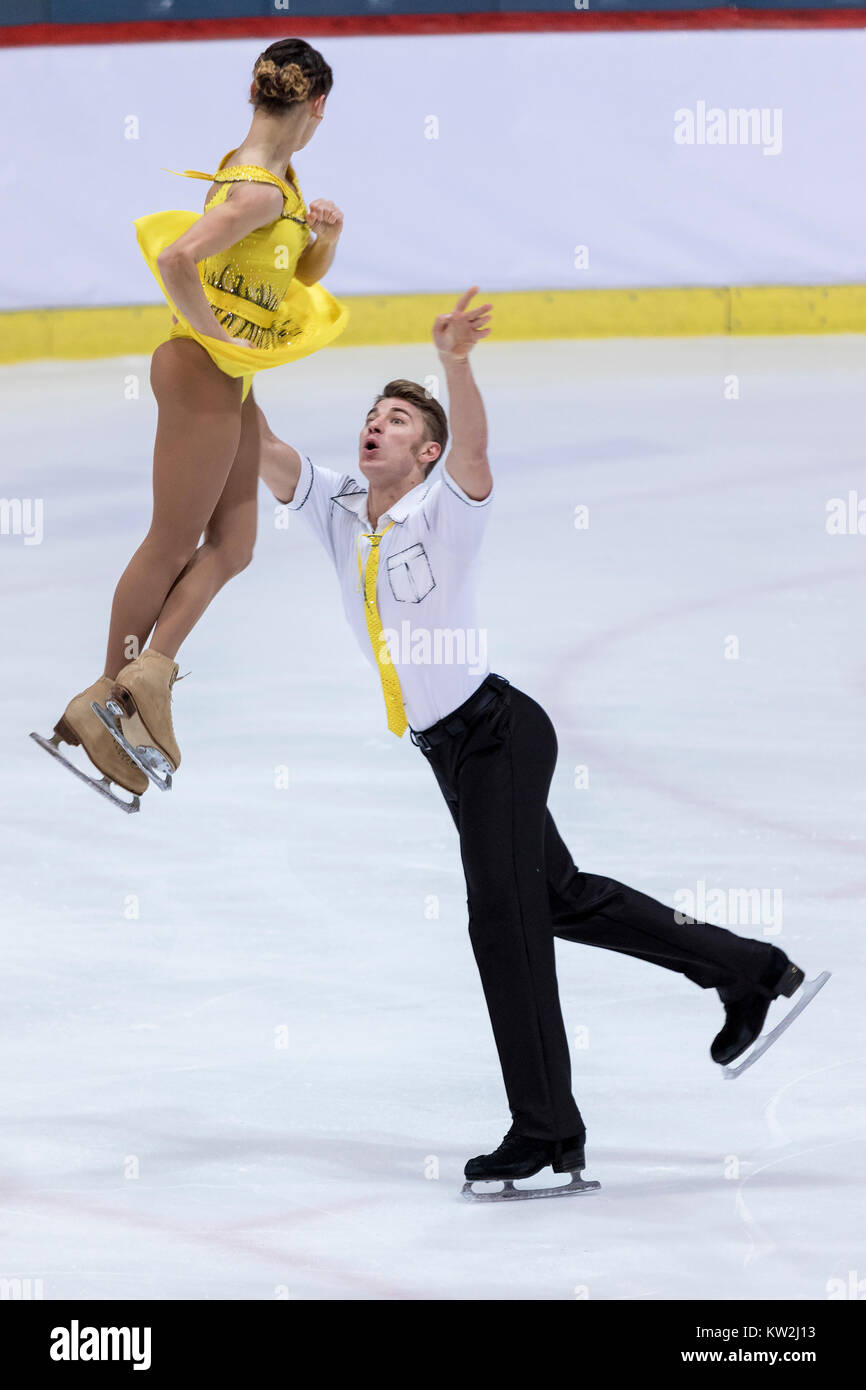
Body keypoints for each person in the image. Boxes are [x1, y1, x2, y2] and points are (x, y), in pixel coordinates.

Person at [256, 288, 818, 1199]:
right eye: (371, 416)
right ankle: (747, 970)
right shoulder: (340, 509)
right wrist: (219, 339)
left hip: (500, 734)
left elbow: (475, 450)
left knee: (501, 918)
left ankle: (548, 1129)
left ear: (424, 450)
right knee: (560, 899)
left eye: (397, 421)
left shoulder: (447, 507)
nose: (376, 426)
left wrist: (455, 364)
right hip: (446, 751)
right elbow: (263, 449)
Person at [32, 38, 347, 812]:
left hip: (224, 380)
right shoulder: (263, 191)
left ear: (254, 89)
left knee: (232, 547)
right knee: (172, 542)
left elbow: (281, 279)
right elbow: (177, 262)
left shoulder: (258, 174)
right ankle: (109, 702)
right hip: (205, 372)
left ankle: (145, 674)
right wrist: (219, 337)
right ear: (317, 109)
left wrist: (325, 242)